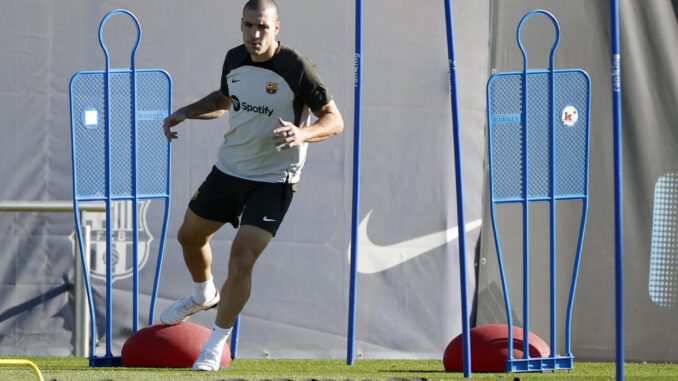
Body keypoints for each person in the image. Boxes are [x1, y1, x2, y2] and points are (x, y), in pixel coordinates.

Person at [159, 0, 344, 371]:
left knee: (242, 260)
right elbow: (223, 100)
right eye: (248, 26)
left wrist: (302, 133)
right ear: (241, 25)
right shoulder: (235, 58)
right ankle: (203, 293)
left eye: (262, 27)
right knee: (189, 238)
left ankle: (214, 346)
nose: (254, 34)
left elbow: (334, 120)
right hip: (229, 169)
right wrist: (186, 112)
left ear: (277, 28)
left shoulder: (297, 67)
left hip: (274, 180)